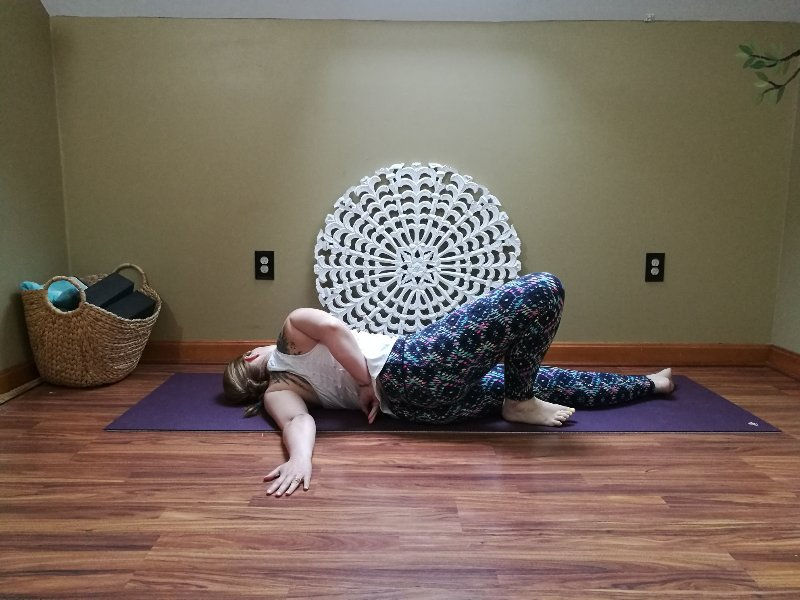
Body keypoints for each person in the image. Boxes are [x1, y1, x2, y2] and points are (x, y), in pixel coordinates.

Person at [223, 272, 674, 498]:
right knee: (544, 288)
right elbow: (335, 329)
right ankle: (520, 401)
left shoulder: (277, 393)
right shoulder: (289, 333)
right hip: (410, 366)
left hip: (421, 407)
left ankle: (649, 385)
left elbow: (297, 423)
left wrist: (300, 460)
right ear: (249, 358)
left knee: (545, 379)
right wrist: (362, 383)